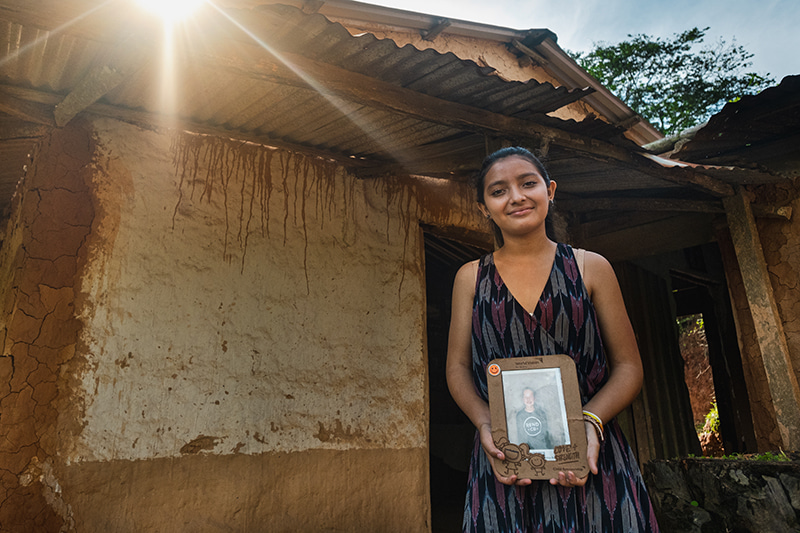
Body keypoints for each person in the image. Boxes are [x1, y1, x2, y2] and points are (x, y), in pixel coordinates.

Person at [446, 147, 659, 532]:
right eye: (498, 190)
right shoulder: (470, 279)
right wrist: (484, 424)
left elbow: (629, 367)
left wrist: (591, 423)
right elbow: (457, 369)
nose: (516, 196)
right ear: (483, 207)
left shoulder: (590, 267)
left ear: (550, 190)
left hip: (592, 460)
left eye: (528, 183)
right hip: (504, 461)